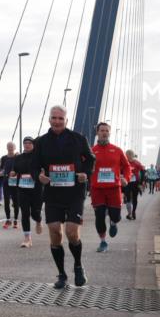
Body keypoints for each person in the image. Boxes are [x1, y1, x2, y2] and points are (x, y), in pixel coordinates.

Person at [33, 105, 95, 289]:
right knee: (54, 232)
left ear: (66, 120)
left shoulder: (78, 138)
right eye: (54, 118)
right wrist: (39, 176)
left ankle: (78, 265)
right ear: (49, 119)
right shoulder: (41, 142)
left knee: (71, 232)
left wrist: (86, 173)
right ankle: (61, 274)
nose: (57, 121)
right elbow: (34, 165)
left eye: (61, 118)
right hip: (52, 193)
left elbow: (90, 159)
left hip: (74, 192)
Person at [89, 122, 130, 253]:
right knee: (99, 216)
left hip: (114, 189)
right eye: (102, 130)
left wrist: (126, 179)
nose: (104, 132)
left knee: (116, 216)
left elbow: (127, 167)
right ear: (97, 132)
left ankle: (113, 222)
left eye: (107, 130)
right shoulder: (91, 151)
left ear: (109, 133)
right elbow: (83, 166)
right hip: (97, 189)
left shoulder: (117, 150)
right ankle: (103, 242)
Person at [11, 136, 43, 248]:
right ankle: (27, 238)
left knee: (35, 212)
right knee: (25, 213)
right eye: (25, 143)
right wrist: (13, 173)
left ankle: (38, 220)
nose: (27, 144)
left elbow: (44, 168)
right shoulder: (18, 158)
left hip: (36, 188)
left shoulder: (38, 157)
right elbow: (14, 169)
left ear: (33, 145)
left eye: (29, 143)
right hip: (22, 188)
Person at [0, 142, 20, 229]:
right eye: (8, 146)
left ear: (15, 147)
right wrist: (0, 172)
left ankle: (15, 220)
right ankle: (8, 220)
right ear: (6, 148)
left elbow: (21, 167)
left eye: (12, 146)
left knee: (16, 202)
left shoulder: (18, 157)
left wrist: (16, 173)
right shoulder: (3, 158)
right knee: (6, 201)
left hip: (15, 182)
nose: (10, 148)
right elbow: (1, 168)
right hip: (6, 181)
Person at [125, 150, 145, 220]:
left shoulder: (136, 163)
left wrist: (141, 182)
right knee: (131, 198)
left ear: (132, 155)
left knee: (131, 198)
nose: (129, 157)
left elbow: (143, 171)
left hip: (134, 183)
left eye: (130, 155)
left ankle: (131, 213)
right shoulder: (125, 162)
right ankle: (131, 213)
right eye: (127, 155)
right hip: (128, 182)